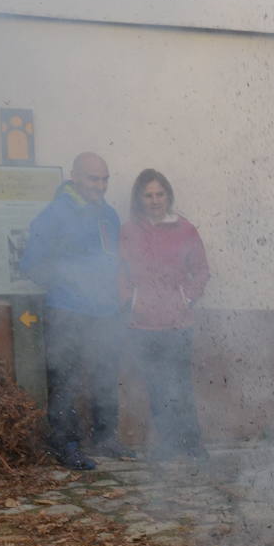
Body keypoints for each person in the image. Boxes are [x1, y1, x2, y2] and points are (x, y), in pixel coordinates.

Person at [20, 152, 130, 470]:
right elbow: (31, 263)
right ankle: (64, 444)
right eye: (93, 178)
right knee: (65, 381)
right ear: (75, 176)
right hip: (67, 311)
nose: (100, 185)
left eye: (105, 179)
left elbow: (114, 261)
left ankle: (107, 438)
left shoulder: (108, 215)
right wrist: (67, 284)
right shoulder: (53, 215)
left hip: (105, 313)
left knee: (105, 376)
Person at [119, 169, 211, 461]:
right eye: (149, 195)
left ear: (168, 196)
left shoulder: (185, 229)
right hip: (143, 325)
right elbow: (119, 273)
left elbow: (201, 270)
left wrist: (185, 298)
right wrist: (132, 301)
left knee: (180, 386)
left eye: (160, 194)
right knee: (156, 387)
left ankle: (193, 446)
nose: (155, 200)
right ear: (140, 199)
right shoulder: (129, 231)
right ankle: (166, 447)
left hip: (177, 324)